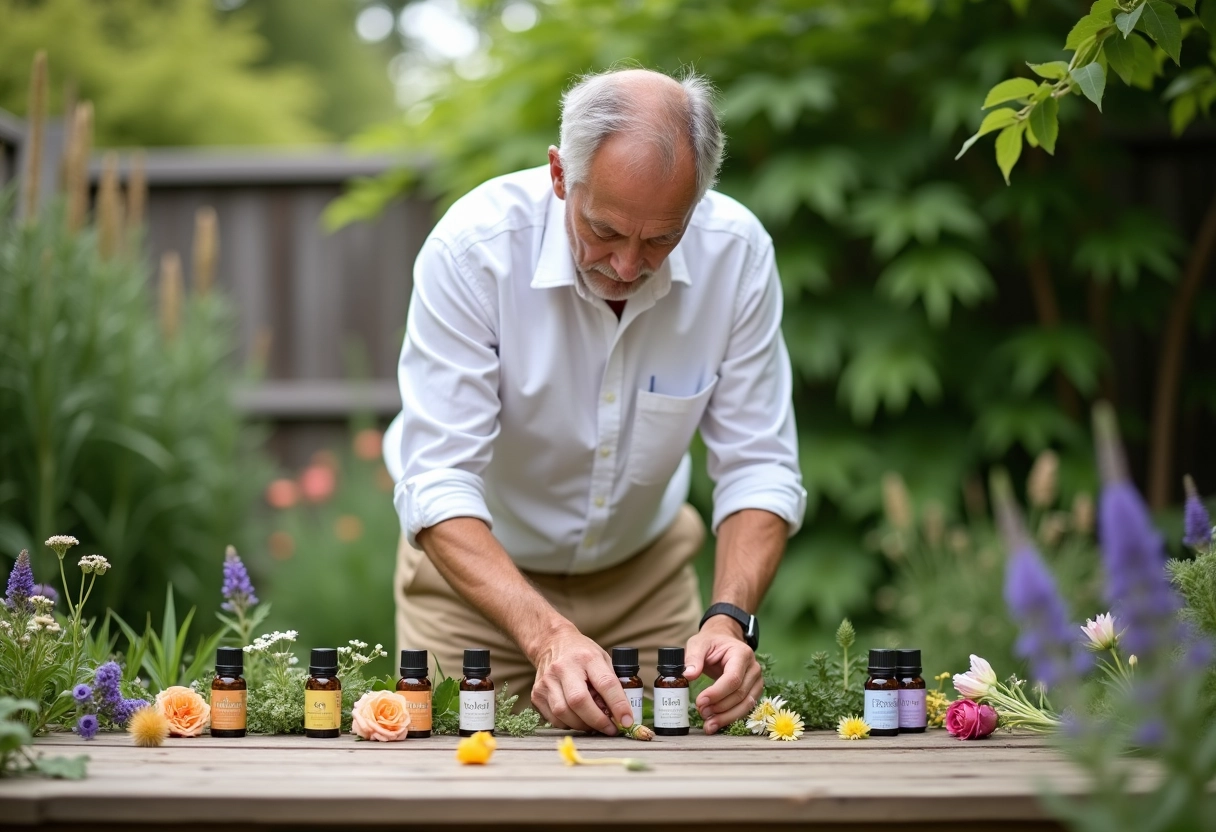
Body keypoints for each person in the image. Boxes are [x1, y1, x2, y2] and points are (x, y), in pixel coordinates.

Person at [383, 67, 804, 736]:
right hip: (477, 594)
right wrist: (547, 634)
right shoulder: (472, 253)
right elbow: (437, 479)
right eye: (605, 230)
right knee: (462, 790)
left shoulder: (738, 254)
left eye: (662, 238)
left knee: (672, 789)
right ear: (559, 175)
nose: (630, 266)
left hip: (648, 583)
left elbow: (759, 466)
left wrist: (729, 619)